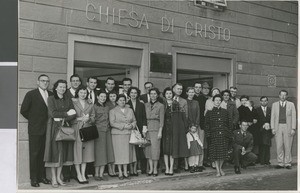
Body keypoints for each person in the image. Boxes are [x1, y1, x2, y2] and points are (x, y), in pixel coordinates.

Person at [20, 74, 53, 187]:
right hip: (35, 129)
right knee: (34, 154)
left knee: (44, 154)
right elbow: (23, 110)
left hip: (48, 129)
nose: (45, 83)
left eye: (47, 81)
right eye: (43, 81)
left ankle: (42, 176)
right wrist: (34, 120)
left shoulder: (51, 94)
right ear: (38, 82)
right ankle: (33, 178)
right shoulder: (31, 94)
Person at [43, 79, 77, 188]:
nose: (62, 89)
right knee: (54, 152)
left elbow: (74, 114)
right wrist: (66, 113)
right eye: (60, 86)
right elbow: (52, 114)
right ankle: (53, 178)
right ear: (56, 87)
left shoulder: (68, 100)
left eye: (64, 87)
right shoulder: (51, 98)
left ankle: (59, 177)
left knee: (63, 152)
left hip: (65, 128)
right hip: (54, 128)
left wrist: (63, 116)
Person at [109, 94, 137, 180]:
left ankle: (125, 171)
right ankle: (120, 172)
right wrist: (124, 126)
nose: (122, 102)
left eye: (124, 100)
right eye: (120, 100)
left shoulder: (130, 110)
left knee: (126, 154)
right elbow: (112, 123)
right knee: (119, 154)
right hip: (117, 135)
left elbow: (134, 120)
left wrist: (132, 125)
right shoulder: (112, 111)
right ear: (117, 101)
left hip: (128, 134)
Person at [72, 85, 95, 184]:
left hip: (87, 129)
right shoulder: (73, 102)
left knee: (86, 153)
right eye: (81, 92)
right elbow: (69, 116)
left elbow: (94, 117)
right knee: (77, 152)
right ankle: (78, 174)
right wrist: (79, 119)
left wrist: (89, 119)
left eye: (85, 93)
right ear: (77, 93)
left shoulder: (90, 103)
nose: (83, 94)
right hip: (77, 129)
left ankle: (83, 173)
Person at [205, 94, 230, 177]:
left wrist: (228, 134)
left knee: (222, 153)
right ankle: (218, 170)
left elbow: (228, 124)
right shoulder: (209, 112)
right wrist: (208, 135)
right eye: (216, 100)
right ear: (213, 101)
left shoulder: (225, 112)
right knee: (215, 153)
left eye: (219, 100)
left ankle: (220, 168)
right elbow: (207, 125)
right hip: (214, 135)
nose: (218, 102)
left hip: (223, 134)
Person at [271, 90, 296, 169]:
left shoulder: (291, 105)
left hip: (287, 126)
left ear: (286, 96)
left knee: (288, 145)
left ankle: (288, 163)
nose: (283, 97)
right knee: (279, 145)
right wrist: (273, 128)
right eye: (281, 95)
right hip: (278, 126)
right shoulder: (274, 105)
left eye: (285, 95)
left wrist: (293, 128)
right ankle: (280, 163)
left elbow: (294, 117)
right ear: (279, 95)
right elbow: (272, 117)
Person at [63, 74, 82, 181]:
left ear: (79, 82)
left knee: (77, 150)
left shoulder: (83, 93)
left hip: (78, 127)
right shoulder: (65, 93)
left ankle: (75, 173)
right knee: (67, 149)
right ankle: (66, 175)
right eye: (73, 81)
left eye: (77, 81)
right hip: (67, 126)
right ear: (70, 82)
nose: (75, 82)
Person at [93, 90, 115, 181]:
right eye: (101, 96)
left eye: (104, 97)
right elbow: (92, 119)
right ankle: (96, 173)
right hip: (98, 132)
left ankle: (101, 174)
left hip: (107, 131)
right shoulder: (94, 107)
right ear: (97, 97)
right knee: (99, 154)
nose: (103, 98)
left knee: (106, 152)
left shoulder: (107, 107)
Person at [126, 87, 148, 175]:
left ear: (138, 94)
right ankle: (131, 169)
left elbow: (144, 117)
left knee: (140, 149)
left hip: (139, 129)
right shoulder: (126, 104)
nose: (133, 94)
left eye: (135, 93)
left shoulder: (141, 104)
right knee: (131, 149)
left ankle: (143, 168)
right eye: (132, 92)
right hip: (129, 129)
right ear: (129, 93)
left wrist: (144, 129)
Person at [144, 88, 164, 177]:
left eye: (155, 93)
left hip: (156, 129)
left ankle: (155, 168)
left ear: (157, 95)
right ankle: (150, 168)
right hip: (147, 129)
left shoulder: (161, 106)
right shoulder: (145, 105)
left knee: (155, 150)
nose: (153, 95)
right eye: (151, 93)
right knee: (148, 151)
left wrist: (160, 131)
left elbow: (162, 120)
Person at [172, 83, 189, 172]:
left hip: (180, 125)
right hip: (171, 126)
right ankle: (173, 165)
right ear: (173, 89)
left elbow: (186, 115)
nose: (179, 90)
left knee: (180, 145)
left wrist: (185, 126)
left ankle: (178, 165)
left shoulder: (183, 101)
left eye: (181, 89)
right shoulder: (168, 99)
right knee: (172, 145)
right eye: (178, 89)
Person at [186, 87, 202, 172]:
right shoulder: (185, 102)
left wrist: (196, 125)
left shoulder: (196, 102)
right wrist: (189, 125)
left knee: (195, 145)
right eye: (190, 92)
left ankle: (196, 165)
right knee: (189, 147)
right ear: (187, 93)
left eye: (193, 92)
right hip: (188, 126)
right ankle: (189, 165)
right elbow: (185, 114)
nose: (191, 94)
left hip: (195, 126)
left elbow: (198, 114)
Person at [193, 82, 208, 169]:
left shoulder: (203, 98)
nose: (198, 89)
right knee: (193, 144)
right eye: (196, 87)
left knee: (201, 143)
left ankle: (200, 163)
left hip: (201, 124)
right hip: (192, 124)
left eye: (199, 87)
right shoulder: (191, 97)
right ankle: (193, 164)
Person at [85, 76, 98, 177]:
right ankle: (85, 172)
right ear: (87, 83)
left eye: (95, 83)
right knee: (85, 147)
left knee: (93, 148)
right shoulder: (82, 93)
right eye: (91, 82)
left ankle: (92, 170)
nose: (93, 84)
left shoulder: (98, 93)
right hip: (85, 124)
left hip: (96, 123)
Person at [256, 96, 273, 165]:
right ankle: (262, 160)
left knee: (267, 145)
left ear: (267, 102)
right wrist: (262, 126)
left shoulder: (270, 109)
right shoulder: (257, 110)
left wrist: (269, 125)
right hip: (260, 130)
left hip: (268, 130)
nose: (264, 102)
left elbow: (272, 119)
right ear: (260, 102)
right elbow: (256, 120)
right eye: (262, 101)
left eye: (265, 101)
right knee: (262, 145)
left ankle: (267, 160)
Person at [105, 90, 118, 177]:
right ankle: (110, 168)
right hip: (109, 129)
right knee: (110, 150)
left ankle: (114, 168)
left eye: (114, 96)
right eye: (111, 96)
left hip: (118, 130)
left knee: (116, 150)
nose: (113, 98)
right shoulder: (107, 105)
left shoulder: (119, 104)